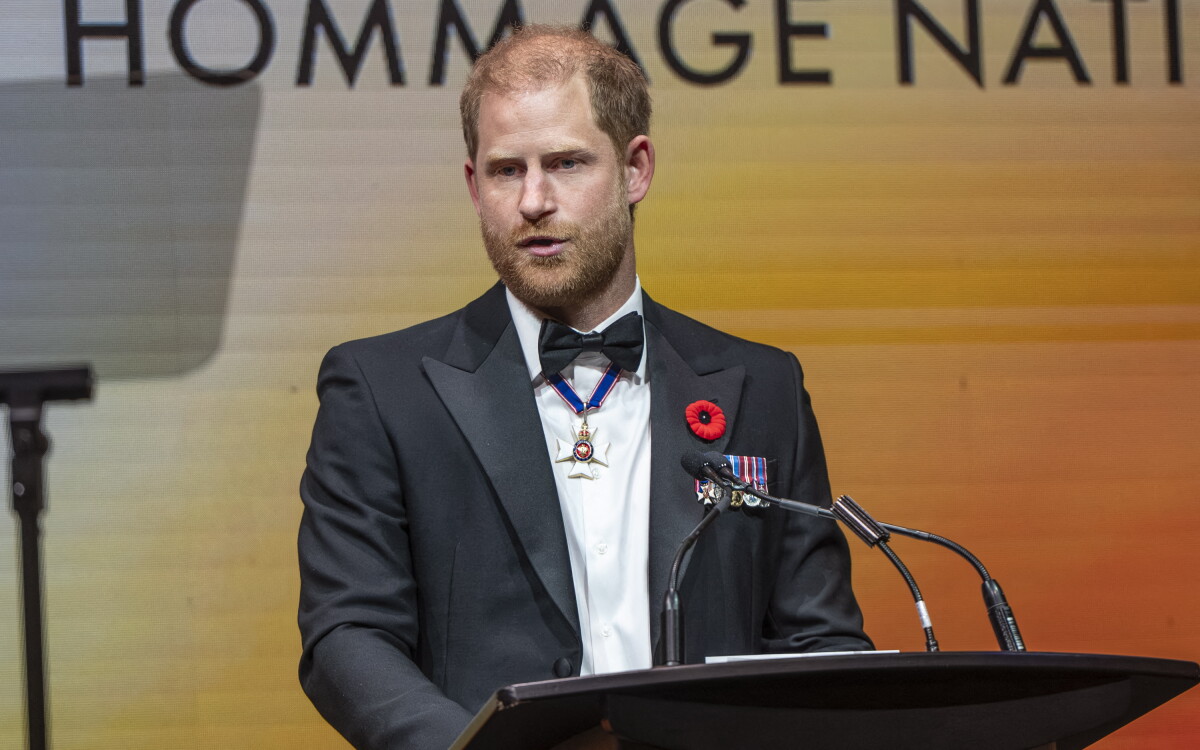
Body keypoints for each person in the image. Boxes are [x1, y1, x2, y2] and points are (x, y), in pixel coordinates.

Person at [298, 25, 871, 750]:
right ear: (474, 185)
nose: (534, 200)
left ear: (635, 169)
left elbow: (819, 641)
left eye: (566, 163)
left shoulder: (762, 386)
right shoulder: (382, 391)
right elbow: (347, 637)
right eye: (507, 171)